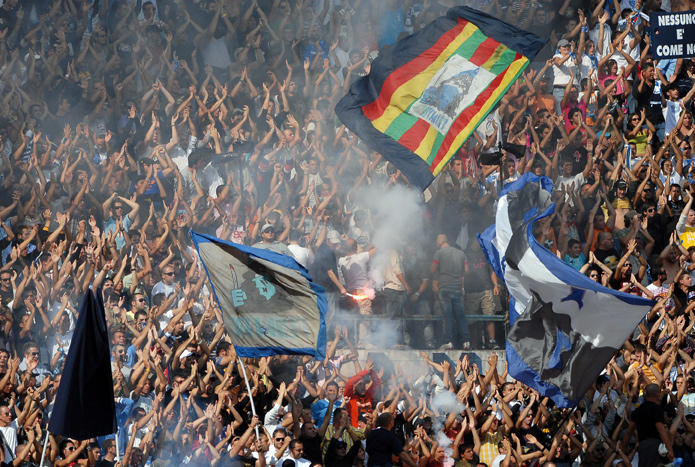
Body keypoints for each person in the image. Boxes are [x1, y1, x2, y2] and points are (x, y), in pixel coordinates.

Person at [431, 234, 470, 350]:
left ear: (438, 243)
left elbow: (433, 269)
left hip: (444, 287)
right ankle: (466, 341)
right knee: (460, 316)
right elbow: (467, 270)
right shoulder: (461, 253)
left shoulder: (438, 253)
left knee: (447, 316)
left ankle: (448, 342)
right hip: (457, 287)